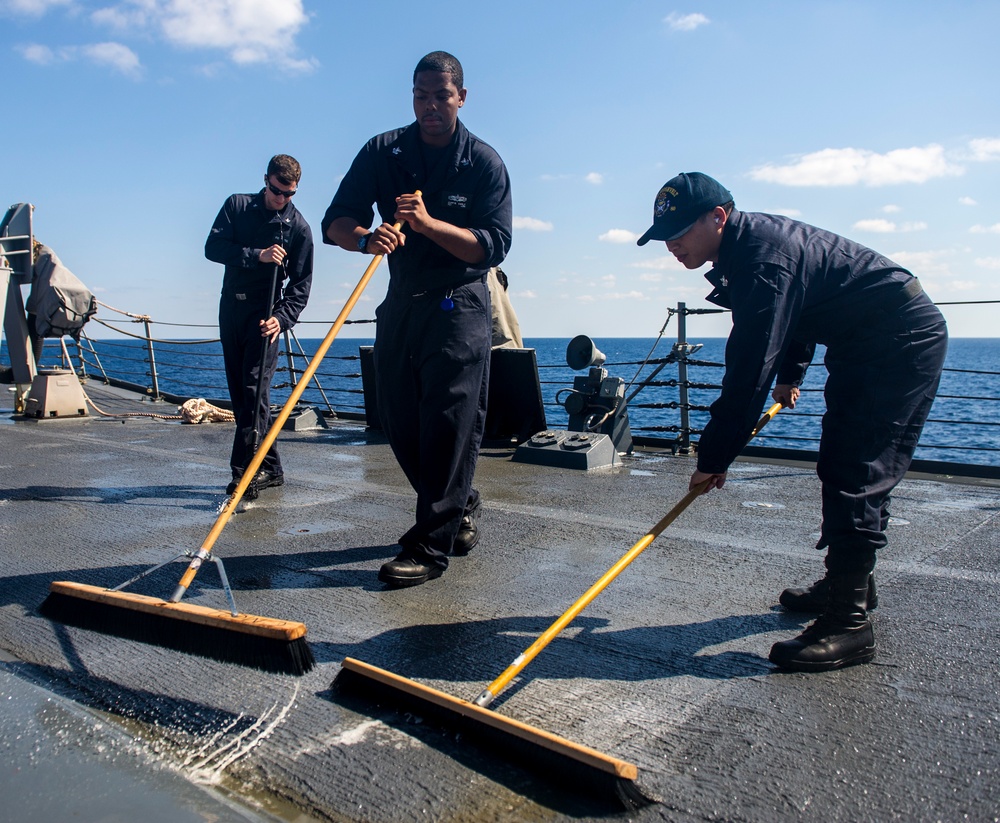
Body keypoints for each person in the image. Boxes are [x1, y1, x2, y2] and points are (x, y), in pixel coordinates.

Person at [637, 171, 948, 672]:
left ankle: (849, 623)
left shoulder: (761, 259)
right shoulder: (750, 247)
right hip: (864, 341)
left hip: (899, 341)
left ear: (718, 217)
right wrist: (792, 375)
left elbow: (747, 373)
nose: (671, 245)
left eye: (679, 232)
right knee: (844, 460)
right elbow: (800, 308)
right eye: (664, 236)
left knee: (856, 469)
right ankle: (851, 584)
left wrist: (714, 457)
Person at [322, 51, 512, 588]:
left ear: (461, 98)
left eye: (441, 96)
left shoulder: (484, 162)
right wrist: (365, 239)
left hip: (459, 303)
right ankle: (459, 505)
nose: (430, 106)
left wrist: (427, 225)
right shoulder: (383, 151)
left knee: (449, 423)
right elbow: (336, 221)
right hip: (402, 300)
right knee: (397, 416)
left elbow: (493, 246)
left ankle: (429, 547)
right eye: (421, 96)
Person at [205, 154, 314, 496]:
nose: (282, 199)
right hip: (230, 310)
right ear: (266, 180)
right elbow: (213, 248)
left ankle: (245, 473)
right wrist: (258, 255)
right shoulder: (236, 206)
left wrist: (281, 319)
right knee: (241, 395)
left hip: (264, 316)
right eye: (277, 191)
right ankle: (272, 468)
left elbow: (301, 286)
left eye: (289, 194)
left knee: (255, 394)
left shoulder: (299, 228)